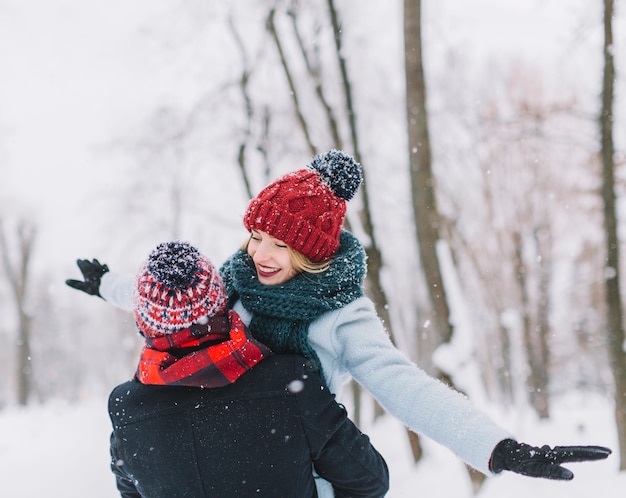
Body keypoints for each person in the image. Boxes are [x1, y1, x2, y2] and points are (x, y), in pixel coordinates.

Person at [69, 150, 611, 496]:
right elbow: (174, 303)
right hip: (222, 452)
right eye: (256, 235)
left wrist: (500, 448)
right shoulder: (235, 278)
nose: (261, 252)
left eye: (281, 244)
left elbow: (407, 389)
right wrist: (108, 284)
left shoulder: (342, 319)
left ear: (311, 253)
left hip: (291, 462)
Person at [107, 240, 390, 498]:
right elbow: (369, 481)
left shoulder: (127, 409)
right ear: (219, 301)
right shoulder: (289, 381)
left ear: (144, 325)